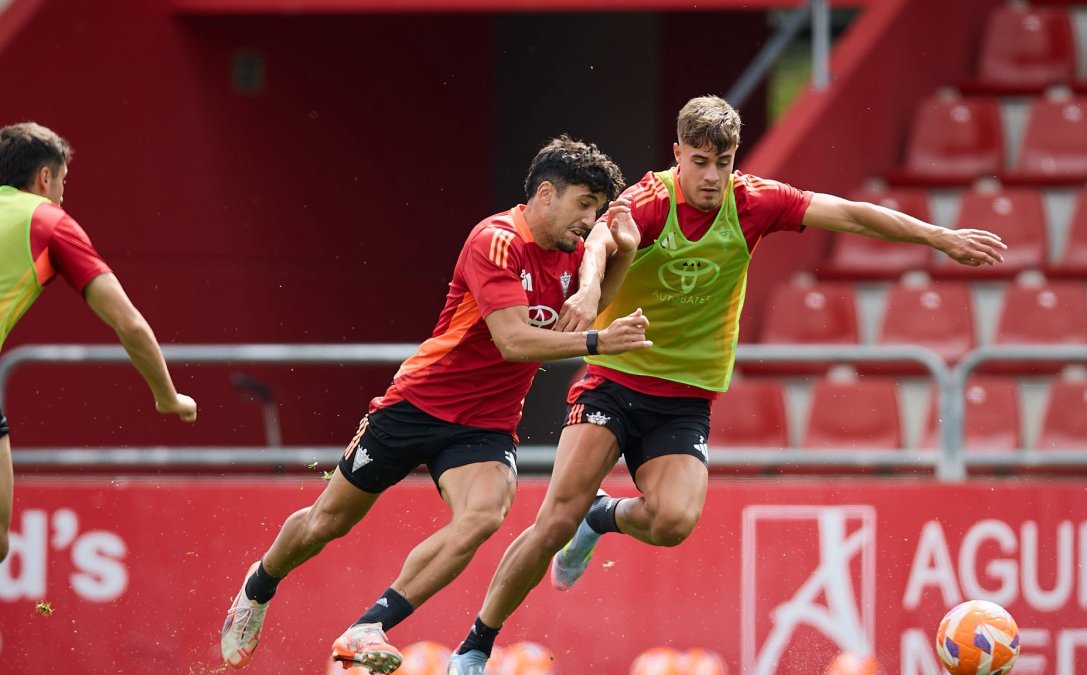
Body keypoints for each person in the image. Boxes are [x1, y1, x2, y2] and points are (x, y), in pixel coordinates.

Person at [447, 95, 1008, 673]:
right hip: (615, 379)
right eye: (700, 161)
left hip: (686, 397)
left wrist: (939, 237)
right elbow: (599, 242)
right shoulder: (649, 200)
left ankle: (603, 517)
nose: (712, 175)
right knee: (553, 523)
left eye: (724, 161)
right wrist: (589, 292)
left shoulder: (753, 202)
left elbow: (850, 214)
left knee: (673, 523)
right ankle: (475, 647)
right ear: (678, 155)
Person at [219, 135, 650, 673]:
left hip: (487, 423)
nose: (589, 219)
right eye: (583, 204)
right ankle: (258, 587)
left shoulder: (571, 253)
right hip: (418, 404)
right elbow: (514, 341)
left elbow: (583, 315)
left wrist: (622, 255)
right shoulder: (495, 241)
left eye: (596, 208)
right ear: (546, 193)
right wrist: (598, 343)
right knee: (327, 522)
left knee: (484, 516)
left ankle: (368, 627)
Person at [0, 122, 197, 563]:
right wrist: (168, 396)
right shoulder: (49, 221)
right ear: (45, 177)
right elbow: (129, 323)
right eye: (63, 182)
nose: (62, 195)